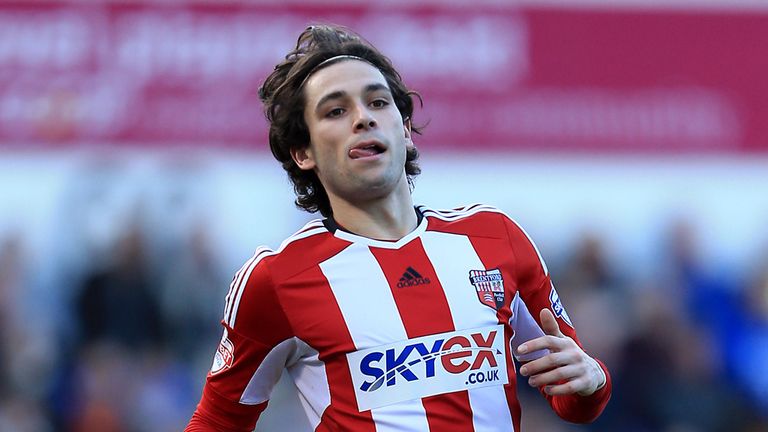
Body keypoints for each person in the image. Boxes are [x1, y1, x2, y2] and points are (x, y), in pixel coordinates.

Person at [186, 24, 611, 431]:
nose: (363, 119)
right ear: (302, 153)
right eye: (336, 110)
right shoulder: (275, 279)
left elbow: (575, 398)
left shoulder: (495, 238)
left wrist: (592, 377)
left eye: (378, 103)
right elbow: (218, 421)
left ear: (405, 130)